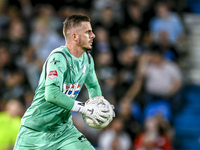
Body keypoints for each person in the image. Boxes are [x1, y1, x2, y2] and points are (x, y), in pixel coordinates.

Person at [14, 14, 114, 150]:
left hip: (63, 131)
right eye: (87, 32)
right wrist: (85, 109)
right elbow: (51, 94)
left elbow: (93, 86)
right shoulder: (58, 58)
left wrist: (99, 105)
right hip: (35, 131)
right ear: (74, 37)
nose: (93, 35)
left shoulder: (88, 60)